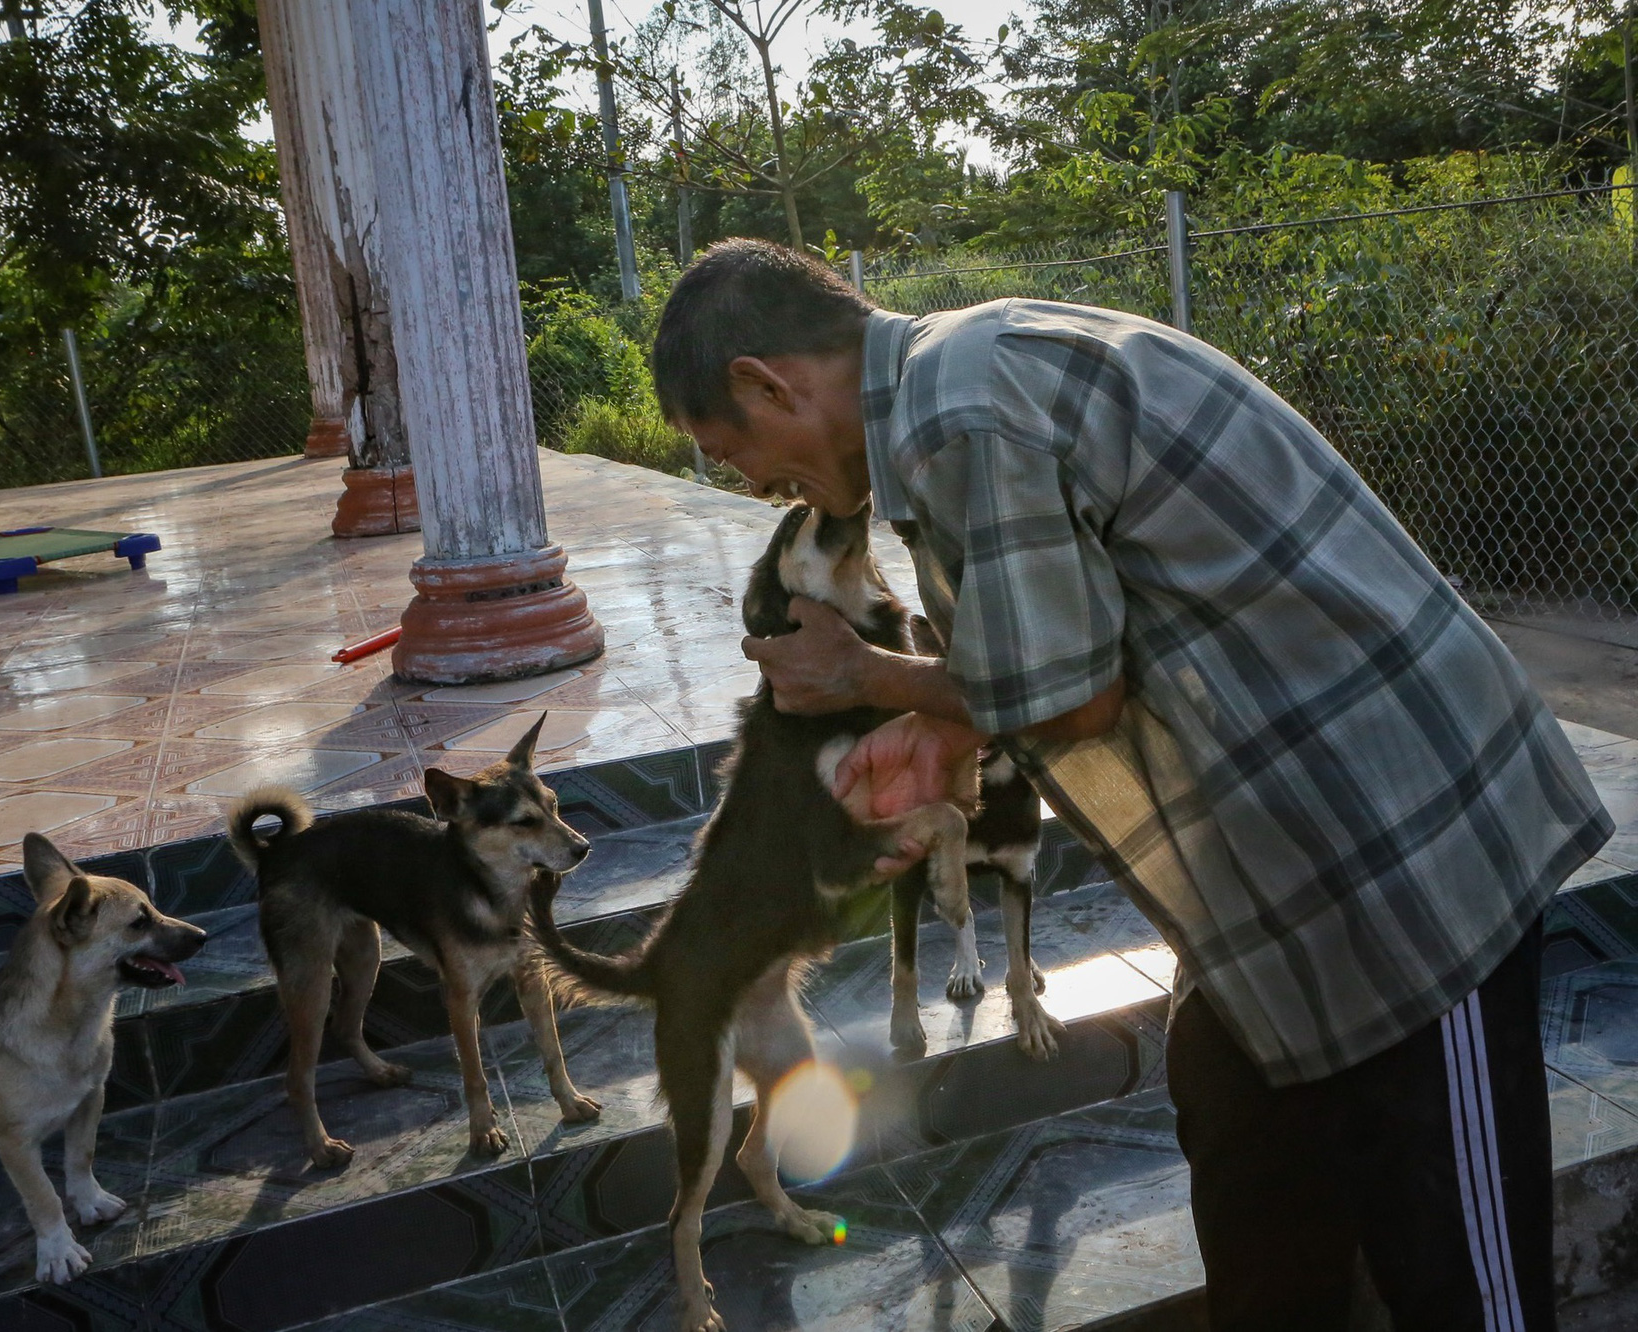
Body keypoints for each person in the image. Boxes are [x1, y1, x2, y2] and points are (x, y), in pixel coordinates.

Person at [651, 238, 1611, 1331]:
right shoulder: (957, 374)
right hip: (1284, 863)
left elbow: (1068, 695)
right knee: (1244, 1145)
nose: (756, 484)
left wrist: (861, 674)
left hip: (1400, 850)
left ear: (763, 382)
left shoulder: (956, 415)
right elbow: (1063, 632)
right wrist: (936, 726)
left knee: (1458, 1270)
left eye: (733, 452)